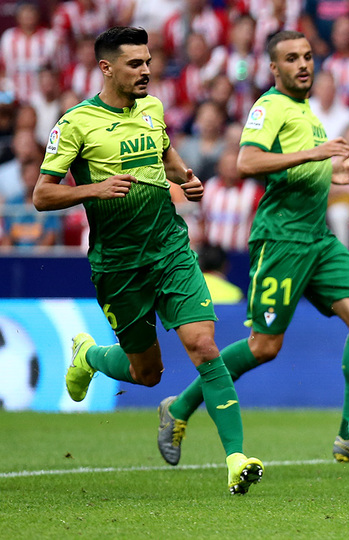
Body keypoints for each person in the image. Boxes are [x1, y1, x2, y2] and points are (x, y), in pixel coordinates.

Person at [33, 27, 263, 495]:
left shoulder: (153, 108)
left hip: (170, 250)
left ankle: (236, 458)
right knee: (147, 373)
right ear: (106, 68)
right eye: (135, 63)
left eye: (148, 61)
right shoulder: (76, 123)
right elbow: (42, 194)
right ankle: (90, 355)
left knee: (204, 346)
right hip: (118, 265)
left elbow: (164, 153)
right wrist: (93, 188)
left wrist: (186, 177)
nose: (145, 70)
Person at [157, 30, 349, 468]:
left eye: (307, 56)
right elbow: (248, 161)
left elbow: (298, 164)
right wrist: (314, 156)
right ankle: (178, 408)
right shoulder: (270, 106)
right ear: (274, 68)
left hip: (317, 237)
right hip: (281, 240)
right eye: (291, 58)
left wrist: (329, 174)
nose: (303, 64)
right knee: (265, 346)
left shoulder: (306, 112)